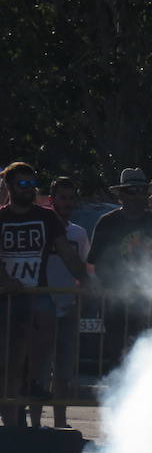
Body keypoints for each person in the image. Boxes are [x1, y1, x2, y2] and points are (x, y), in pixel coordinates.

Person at [0, 162, 88, 426]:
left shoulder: (46, 217)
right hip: (7, 297)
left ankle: (36, 384)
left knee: (44, 336)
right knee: (11, 363)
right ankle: (12, 424)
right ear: (9, 186)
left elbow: (68, 253)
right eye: (22, 184)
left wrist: (86, 279)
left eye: (32, 184)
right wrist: (6, 280)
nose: (28, 189)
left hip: (37, 292)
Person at [88, 168, 152, 370]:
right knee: (119, 359)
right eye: (132, 190)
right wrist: (107, 285)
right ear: (121, 194)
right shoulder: (108, 222)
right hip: (116, 304)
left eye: (142, 190)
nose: (139, 195)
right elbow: (95, 263)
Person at [30, 177, 91, 428]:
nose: (66, 203)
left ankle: (60, 422)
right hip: (41, 307)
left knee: (64, 371)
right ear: (51, 200)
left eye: (70, 198)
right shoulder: (41, 228)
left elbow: (85, 267)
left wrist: (82, 297)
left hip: (68, 307)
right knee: (38, 370)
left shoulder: (79, 233)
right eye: (61, 198)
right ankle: (33, 423)